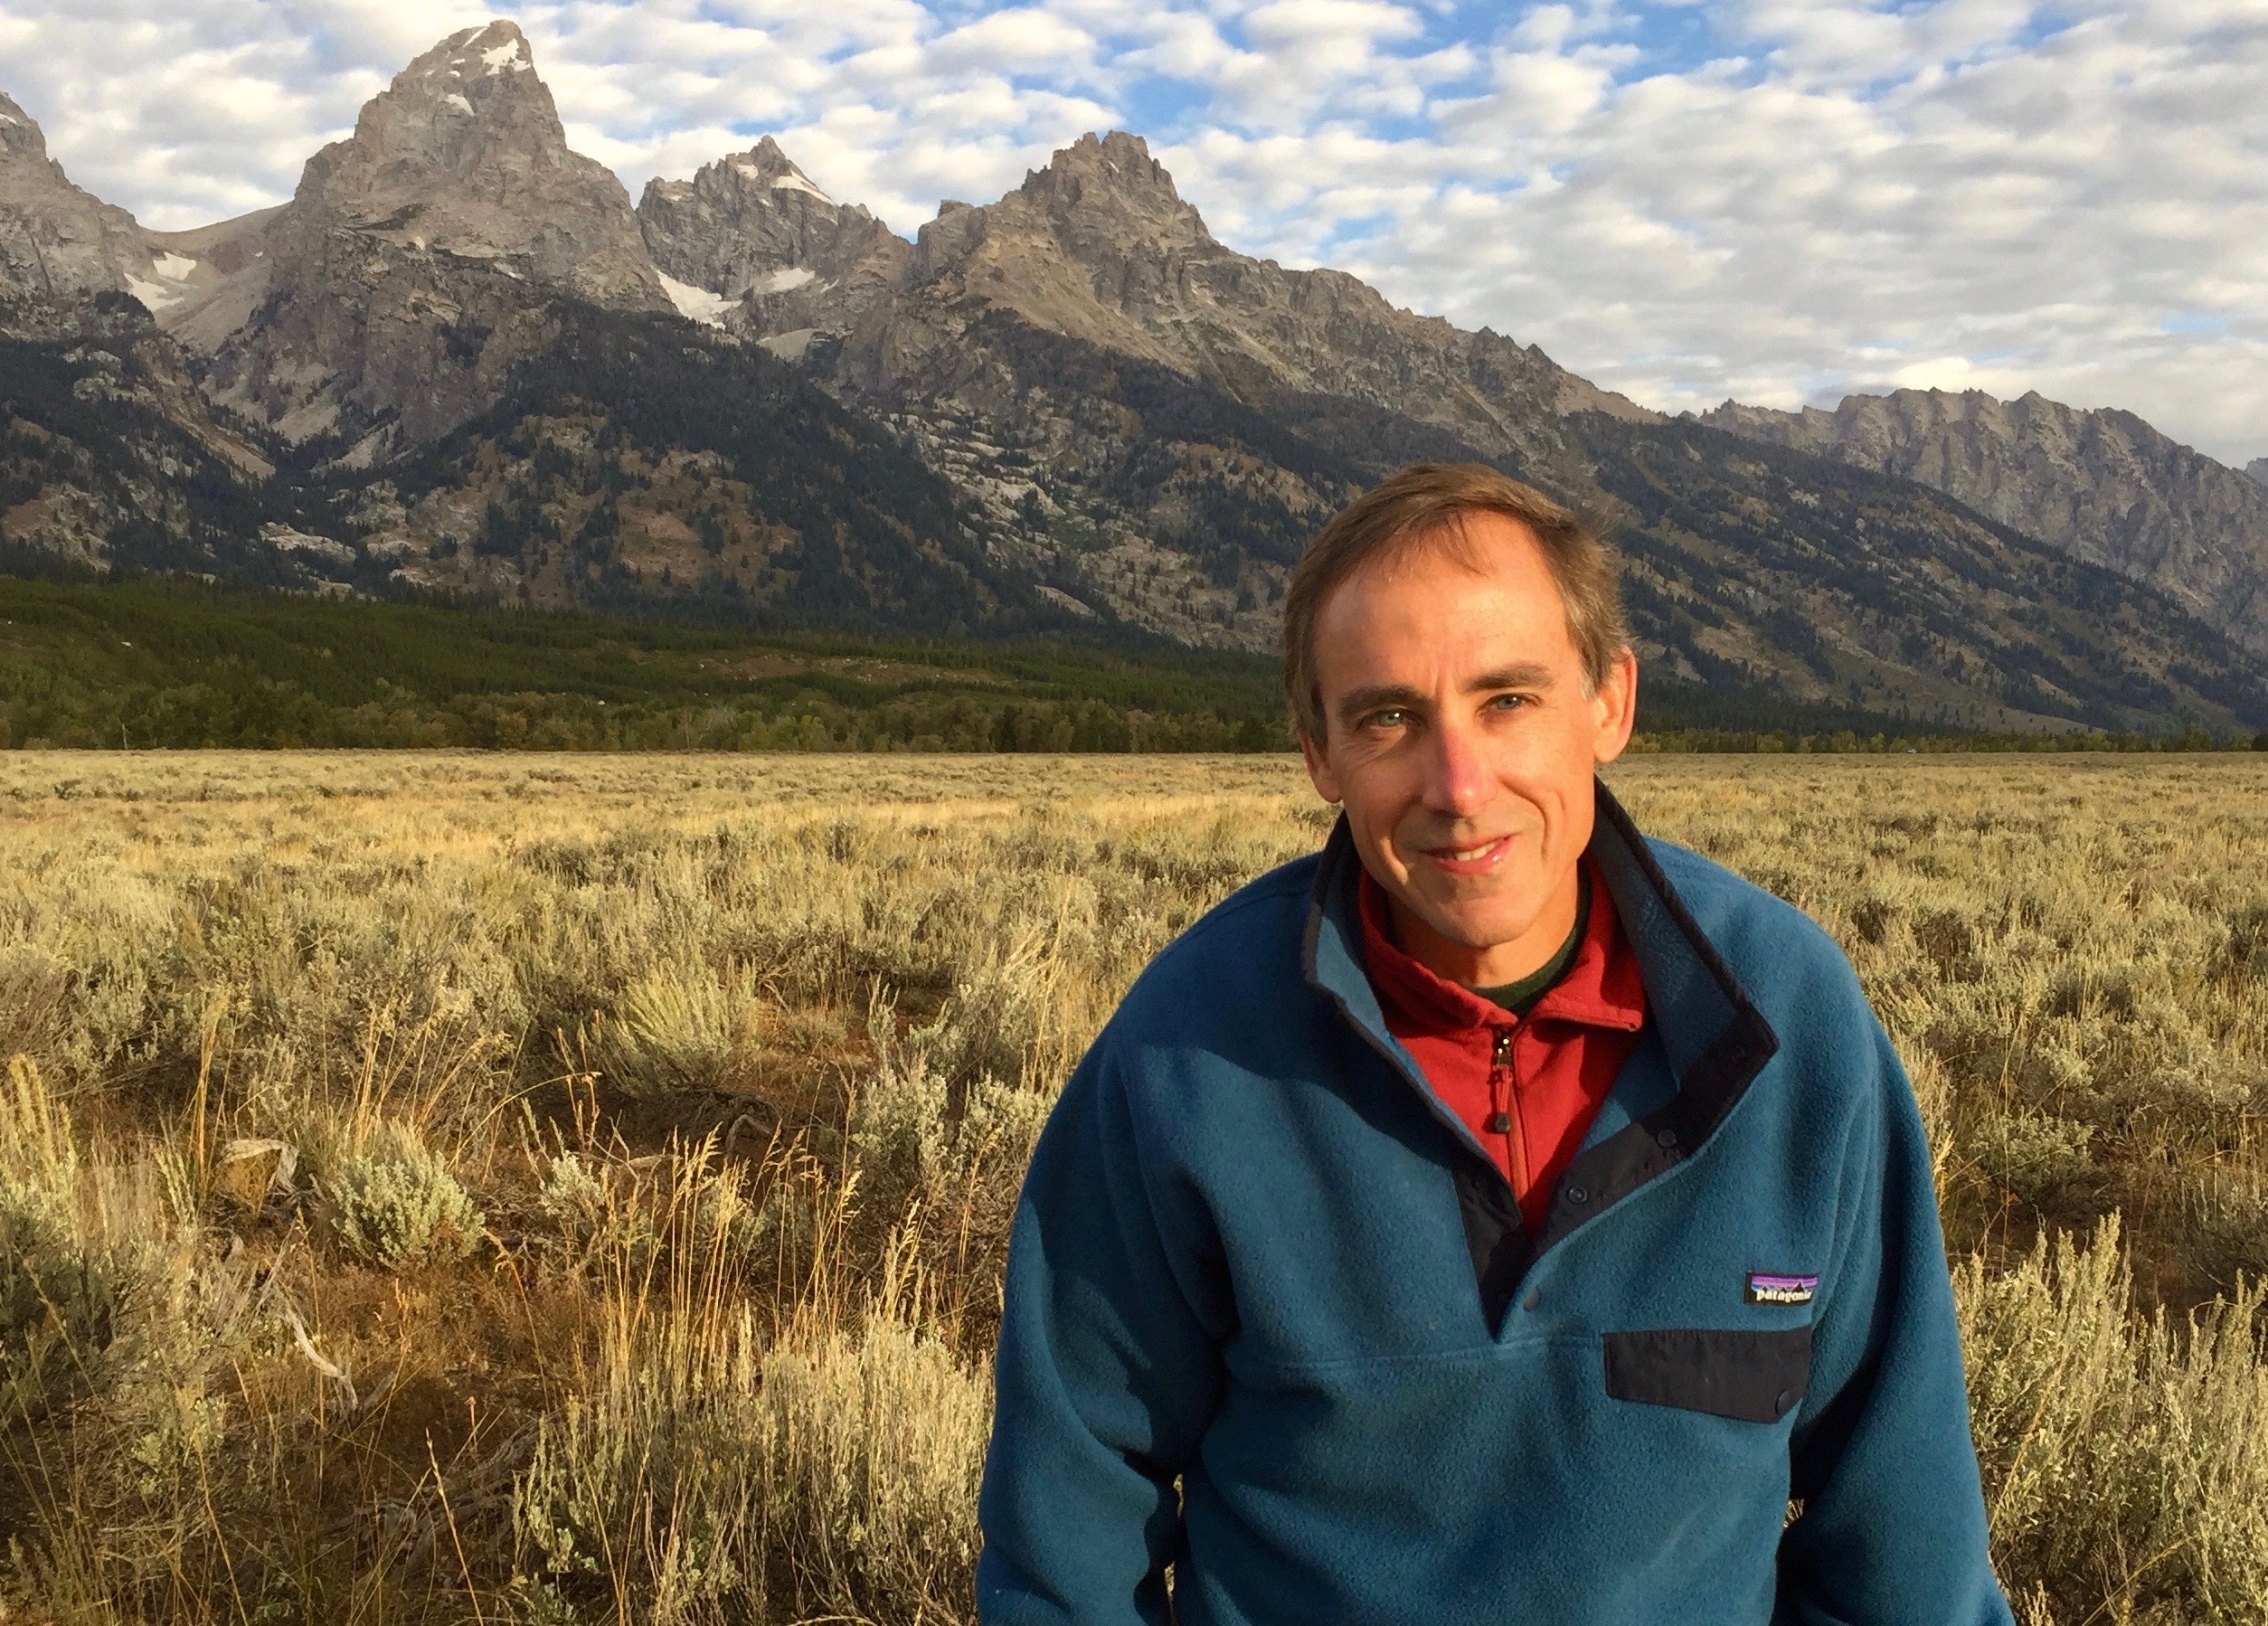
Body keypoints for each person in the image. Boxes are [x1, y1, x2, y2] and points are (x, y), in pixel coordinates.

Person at [976, 463, 2012, 1625]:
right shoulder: (1187, 1055)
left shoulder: (1788, 1027)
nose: (1459, 786)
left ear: (1609, 703)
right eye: (1388, 718)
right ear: (1318, 752)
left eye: (1507, 699)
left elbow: (1905, 1544)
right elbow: (1067, 1525)